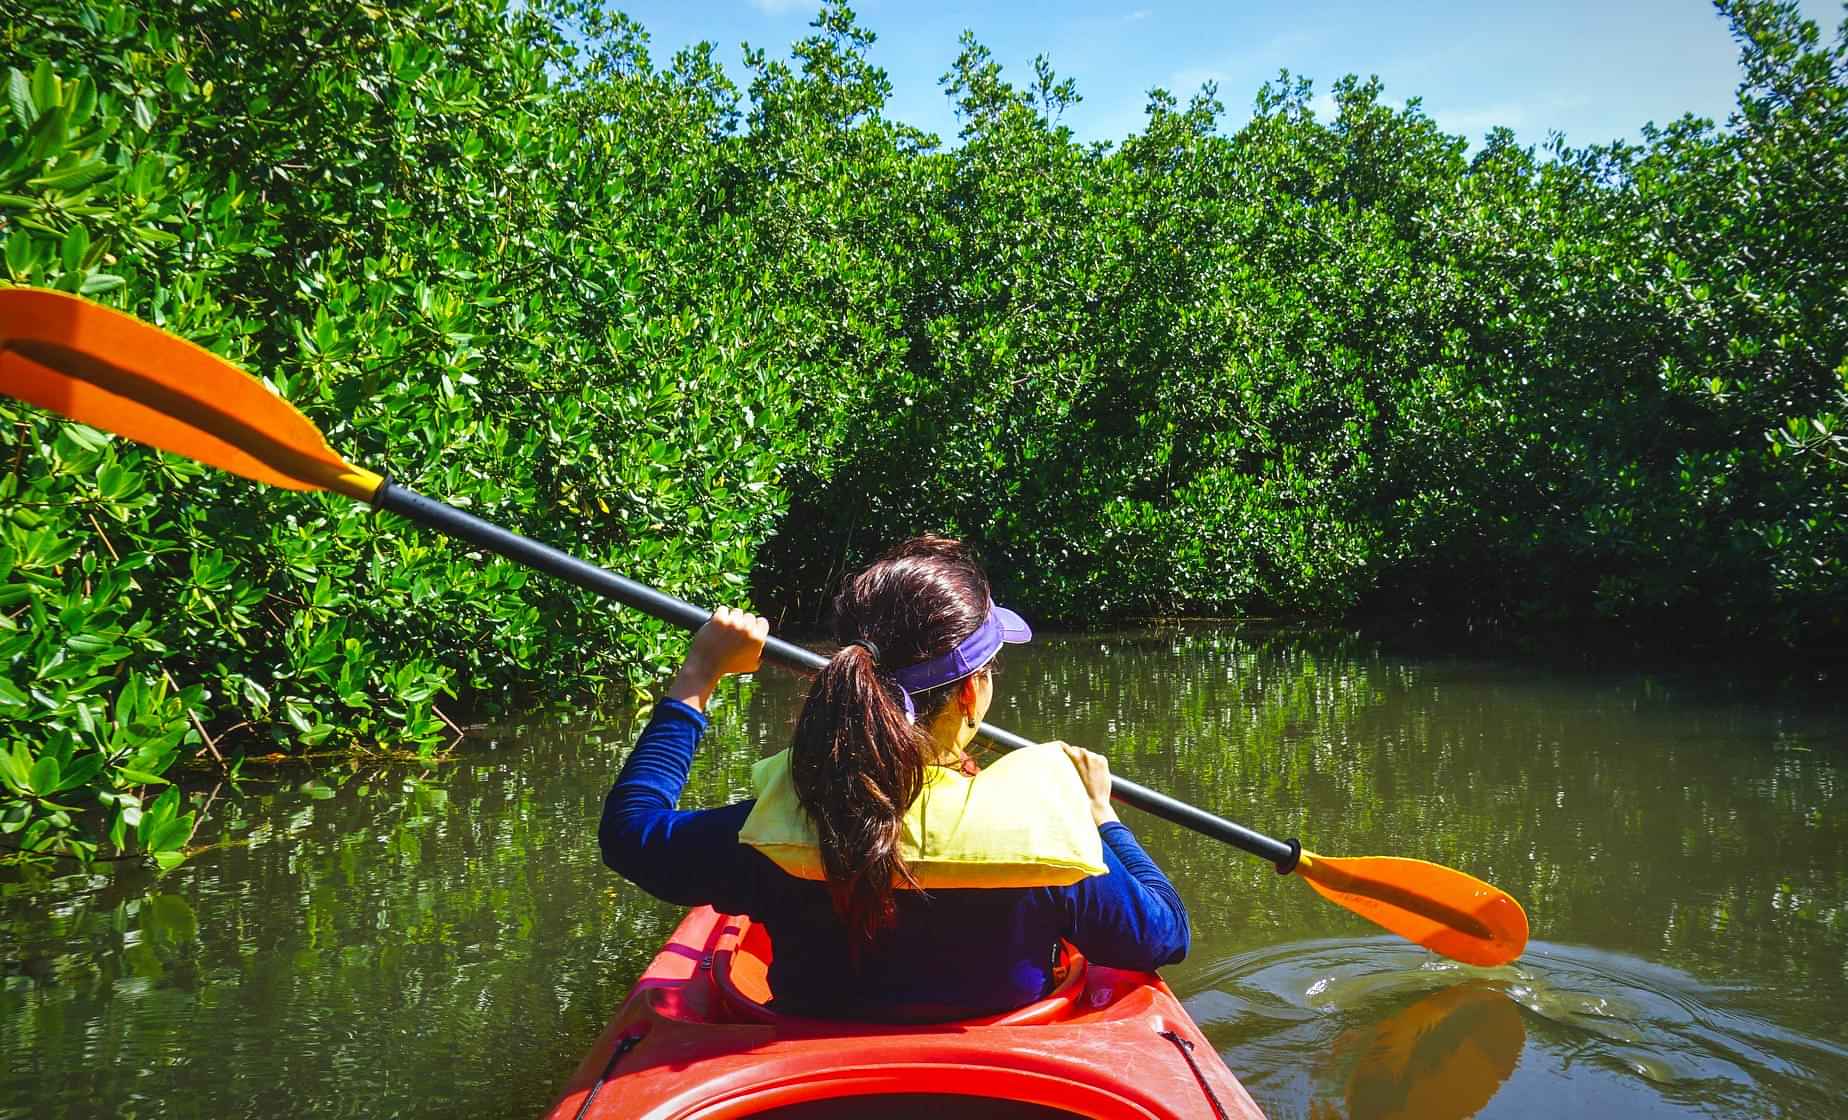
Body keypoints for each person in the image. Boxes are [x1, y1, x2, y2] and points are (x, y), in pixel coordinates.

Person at [600, 536, 1188, 1021]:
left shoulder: (765, 838)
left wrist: (699, 675)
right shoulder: (1049, 845)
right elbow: (1166, 934)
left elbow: (631, 831)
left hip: (812, 1080)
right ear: (969, 691)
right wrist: (1102, 820)